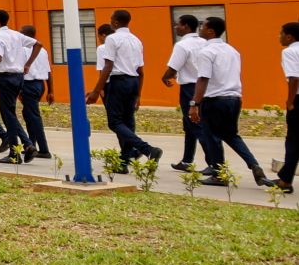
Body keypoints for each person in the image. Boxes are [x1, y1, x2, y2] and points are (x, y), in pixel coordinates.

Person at [190, 17, 270, 186]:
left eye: (202, 26)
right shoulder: (232, 50)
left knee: (211, 136)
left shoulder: (206, 52)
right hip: (234, 99)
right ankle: (254, 165)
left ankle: (219, 175)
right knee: (231, 135)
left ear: (211, 31)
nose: (200, 28)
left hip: (215, 100)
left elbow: (203, 79)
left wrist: (195, 104)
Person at [88, 10, 161, 164]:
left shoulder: (112, 39)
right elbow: (141, 71)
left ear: (115, 22)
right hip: (134, 81)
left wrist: (96, 91)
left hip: (118, 81)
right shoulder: (136, 40)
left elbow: (108, 66)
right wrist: (138, 94)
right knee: (128, 121)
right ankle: (124, 160)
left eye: (111, 19)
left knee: (114, 122)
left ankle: (147, 149)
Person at [160, 13, 206, 172]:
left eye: (177, 24)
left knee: (196, 124)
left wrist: (165, 77)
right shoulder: (204, 43)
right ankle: (187, 160)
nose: (175, 27)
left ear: (186, 26)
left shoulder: (182, 45)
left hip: (190, 88)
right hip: (205, 86)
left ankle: (213, 163)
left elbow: (174, 67)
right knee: (190, 125)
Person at [4, 26, 50, 162]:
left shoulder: (23, 50)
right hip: (40, 84)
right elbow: (48, 71)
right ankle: (31, 144)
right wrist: (51, 90)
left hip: (28, 85)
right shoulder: (43, 50)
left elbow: (19, 69)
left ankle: (44, 149)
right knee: (29, 115)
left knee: (34, 117)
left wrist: (19, 89)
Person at [0, 10, 30, 154]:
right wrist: (28, 64)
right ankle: (26, 144)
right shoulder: (17, 35)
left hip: (6, 77)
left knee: (8, 115)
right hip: (19, 77)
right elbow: (39, 44)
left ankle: (15, 152)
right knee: (10, 113)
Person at [275, 22, 299, 194]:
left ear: (289, 36)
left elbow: (294, 78)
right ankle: (285, 176)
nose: (279, 36)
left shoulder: (290, 51)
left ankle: (285, 181)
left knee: (293, 140)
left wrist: (290, 102)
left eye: (281, 33)